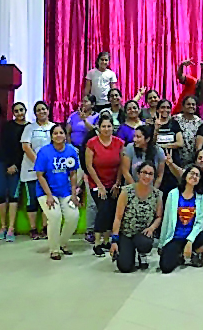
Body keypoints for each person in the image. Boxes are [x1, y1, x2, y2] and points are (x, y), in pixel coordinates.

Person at [33, 122, 81, 260]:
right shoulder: (44, 152)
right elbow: (40, 175)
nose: (58, 135)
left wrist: (73, 194)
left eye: (61, 133)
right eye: (55, 133)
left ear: (65, 135)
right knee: (55, 217)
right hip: (46, 192)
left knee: (73, 216)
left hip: (65, 191)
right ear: (51, 136)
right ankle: (54, 249)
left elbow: (73, 173)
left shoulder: (71, 150)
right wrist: (49, 195)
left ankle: (63, 243)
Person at [110, 160, 162, 273]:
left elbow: (159, 217)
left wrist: (152, 228)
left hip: (143, 233)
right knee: (125, 267)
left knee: (145, 243)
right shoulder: (126, 192)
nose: (147, 176)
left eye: (150, 174)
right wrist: (114, 240)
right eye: (144, 172)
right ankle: (126, 252)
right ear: (138, 174)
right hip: (126, 233)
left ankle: (142, 254)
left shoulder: (157, 194)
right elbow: (118, 217)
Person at [86, 113, 125, 256]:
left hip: (114, 183)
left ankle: (107, 241)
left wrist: (118, 183)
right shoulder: (92, 143)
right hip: (96, 182)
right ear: (99, 128)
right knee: (103, 209)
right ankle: (97, 243)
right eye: (104, 126)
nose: (107, 129)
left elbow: (122, 164)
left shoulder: (119, 143)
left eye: (109, 126)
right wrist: (99, 185)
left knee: (113, 210)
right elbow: (89, 166)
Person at [158, 165, 203, 273]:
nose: (194, 177)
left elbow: (200, 222)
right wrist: (161, 244)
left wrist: (190, 241)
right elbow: (166, 220)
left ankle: (194, 252)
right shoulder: (173, 194)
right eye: (191, 173)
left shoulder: (201, 197)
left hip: (193, 237)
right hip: (176, 237)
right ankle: (181, 256)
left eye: (197, 175)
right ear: (185, 176)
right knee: (165, 267)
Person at [20, 100, 55, 240]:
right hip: (31, 170)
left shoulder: (54, 127)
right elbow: (26, 147)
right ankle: (33, 229)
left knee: (47, 199)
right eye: (38, 110)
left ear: (48, 110)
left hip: (50, 171)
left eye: (44, 109)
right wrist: (39, 163)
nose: (42, 112)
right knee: (32, 201)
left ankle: (46, 228)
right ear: (35, 113)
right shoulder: (29, 128)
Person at [0, 101, 28, 242]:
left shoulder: (29, 128)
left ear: (25, 111)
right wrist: (8, 164)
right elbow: (3, 145)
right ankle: (2, 226)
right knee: (1, 194)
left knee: (14, 196)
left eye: (21, 110)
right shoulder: (7, 127)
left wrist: (16, 165)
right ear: (13, 113)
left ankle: (11, 229)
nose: (19, 113)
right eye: (16, 111)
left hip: (19, 165)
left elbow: (25, 149)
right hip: (2, 163)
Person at [153, 99, 183, 194]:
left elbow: (180, 143)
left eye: (168, 107)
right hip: (157, 163)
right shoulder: (152, 124)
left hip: (172, 162)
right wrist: (156, 129)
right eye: (162, 107)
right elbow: (151, 144)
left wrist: (162, 146)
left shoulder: (174, 124)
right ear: (157, 110)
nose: (165, 110)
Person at [174, 95, 203, 166]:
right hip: (177, 159)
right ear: (183, 106)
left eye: (193, 104)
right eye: (188, 104)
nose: (191, 106)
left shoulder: (200, 122)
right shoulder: (176, 119)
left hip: (193, 161)